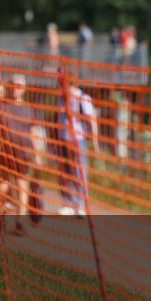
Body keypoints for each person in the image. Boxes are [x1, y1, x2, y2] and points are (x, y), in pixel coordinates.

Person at [0, 75, 40, 231]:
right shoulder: (0, 105)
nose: (16, 88)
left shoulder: (28, 108)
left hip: (23, 154)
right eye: (13, 85)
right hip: (4, 153)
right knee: (3, 187)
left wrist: (37, 154)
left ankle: (20, 221)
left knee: (22, 186)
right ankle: (1, 216)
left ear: (23, 89)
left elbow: (33, 132)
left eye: (19, 86)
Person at [58, 84, 98, 216]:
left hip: (78, 141)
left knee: (79, 173)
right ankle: (68, 203)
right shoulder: (62, 98)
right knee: (65, 173)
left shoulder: (83, 98)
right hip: (63, 139)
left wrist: (95, 142)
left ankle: (79, 205)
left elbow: (92, 119)